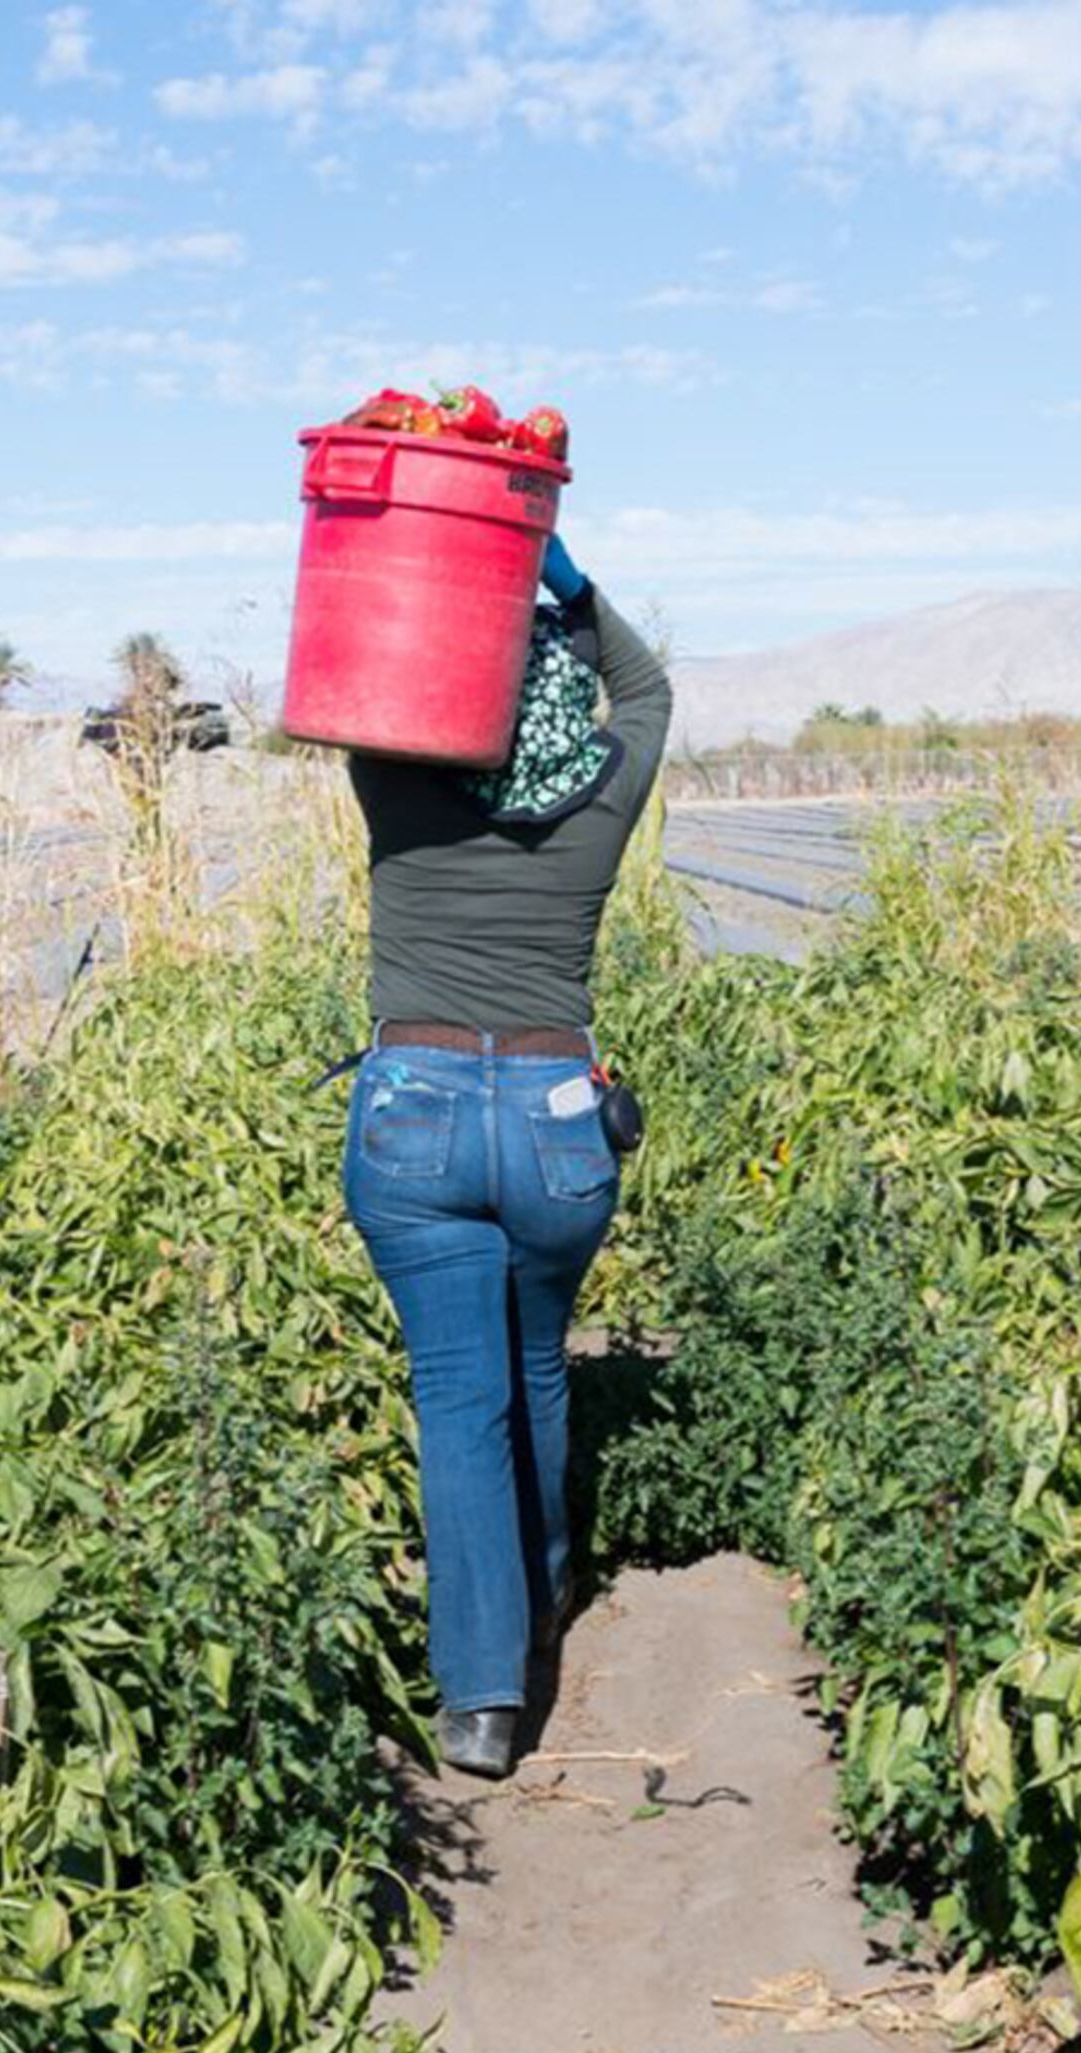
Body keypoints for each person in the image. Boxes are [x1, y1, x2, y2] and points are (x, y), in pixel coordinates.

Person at [342, 529, 671, 1780]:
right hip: (553, 1125)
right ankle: (540, 1602)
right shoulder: (601, 795)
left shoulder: (401, 784)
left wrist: (434, 571)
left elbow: (362, 674)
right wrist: (563, 580)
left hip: (414, 1110)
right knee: (535, 1360)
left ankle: (482, 1702)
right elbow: (645, 690)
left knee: (457, 1398)